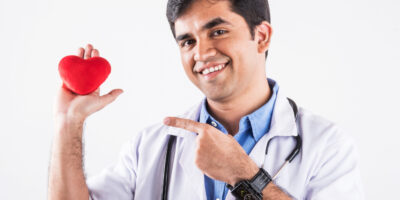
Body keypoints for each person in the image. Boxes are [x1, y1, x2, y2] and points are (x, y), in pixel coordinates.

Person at [48, 0, 364, 199]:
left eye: (218, 32)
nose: (201, 53)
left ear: (262, 36)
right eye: (187, 40)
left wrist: (246, 177)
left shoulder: (328, 146)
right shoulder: (149, 148)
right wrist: (69, 123)